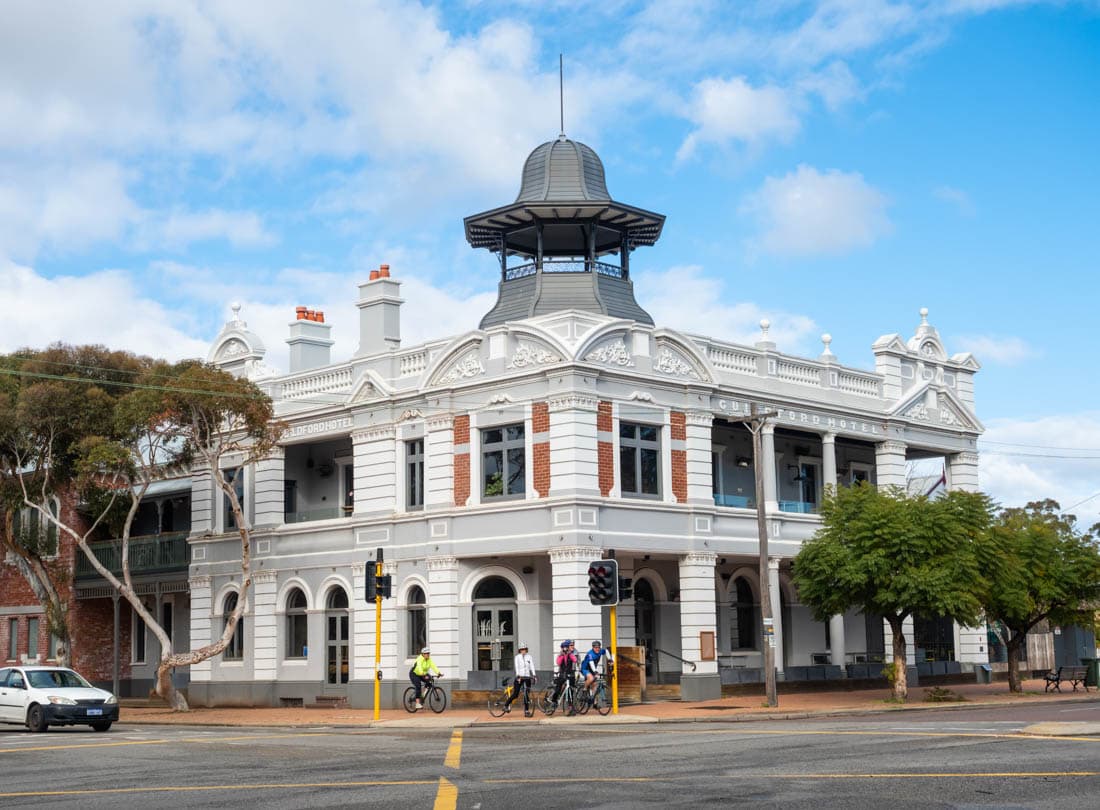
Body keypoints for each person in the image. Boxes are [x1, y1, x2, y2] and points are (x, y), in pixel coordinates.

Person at [504, 642, 537, 716]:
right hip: (520, 677)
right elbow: (517, 667)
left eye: (524, 649)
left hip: (527, 677)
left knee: (526, 694)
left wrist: (534, 675)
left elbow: (532, 666)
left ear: (526, 649)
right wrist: (518, 675)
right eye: (522, 649)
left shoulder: (529, 657)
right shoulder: (517, 657)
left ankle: (526, 711)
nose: (523, 651)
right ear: (520, 650)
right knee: (516, 694)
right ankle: (506, 705)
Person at [550, 639, 578, 709]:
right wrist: (562, 655)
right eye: (564, 648)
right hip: (562, 674)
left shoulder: (570, 654)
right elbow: (558, 663)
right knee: (558, 688)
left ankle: (570, 705)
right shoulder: (560, 654)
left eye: (566, 647)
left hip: (570, 674)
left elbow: (575, 660)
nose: (565, 649)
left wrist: (570, 654)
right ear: (562, 648)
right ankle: (554, 701)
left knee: (571, 688)